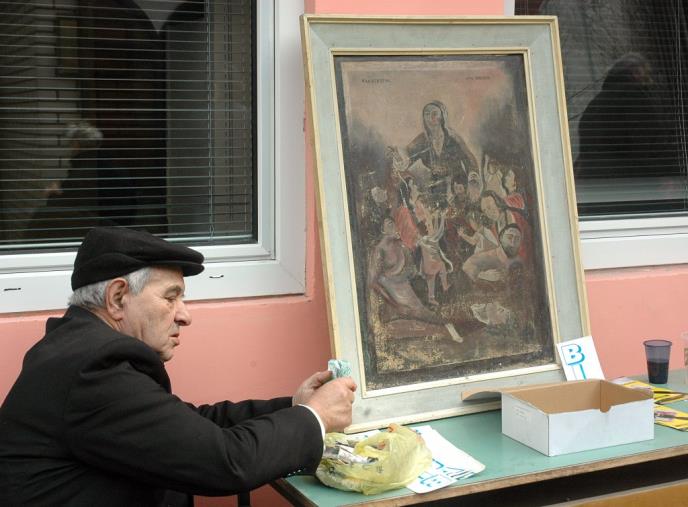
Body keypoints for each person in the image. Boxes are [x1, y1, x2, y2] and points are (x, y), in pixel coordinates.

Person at [0, 227, 356, 506]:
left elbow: (190, 425)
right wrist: (315, 417)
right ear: (118, 297)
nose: (184, 316)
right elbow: (225, 462)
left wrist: (295, 406)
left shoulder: (77, 351)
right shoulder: (94, 370)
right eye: (171, 297)